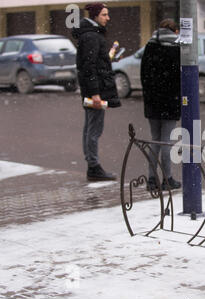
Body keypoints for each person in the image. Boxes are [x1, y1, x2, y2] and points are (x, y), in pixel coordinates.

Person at [72, 2, 121, 181]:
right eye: (104, 15)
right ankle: (93, 167)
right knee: (94, 130)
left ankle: (92, 164)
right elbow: (89, 67)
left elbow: (91, 64)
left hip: (92, 89)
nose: (108, 18)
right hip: (96, 91)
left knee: (90, 128)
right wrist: (95, 93)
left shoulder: (89, 35)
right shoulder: (92, 37)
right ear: (95, 16)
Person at [141, 19, 182, 191]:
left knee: (155, 140)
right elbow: (179, 77)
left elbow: (143, 74)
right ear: (175, 31)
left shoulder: (150, 46)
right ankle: (167, 178)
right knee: (166, 142)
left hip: (152, 101)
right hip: (170, 101)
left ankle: (151, 179)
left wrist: (151, 93)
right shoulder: (176, 49)